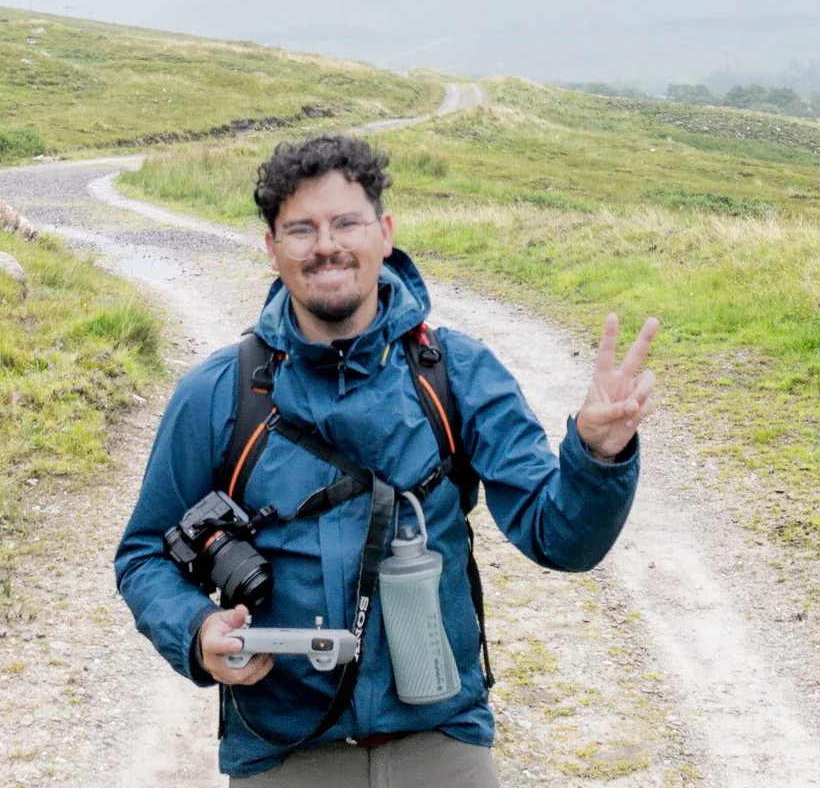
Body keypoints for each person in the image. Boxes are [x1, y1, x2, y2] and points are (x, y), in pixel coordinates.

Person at [115, 132, 659, 784]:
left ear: (385, 233)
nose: (326, 245)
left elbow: (561, 537)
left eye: (347, 222)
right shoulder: (218, 393)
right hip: (283, 748)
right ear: (270, 248)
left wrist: (599, 456)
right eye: (301, 229)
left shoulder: (455, 372)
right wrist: (198, 632)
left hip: (440, 736)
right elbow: (144, 554)